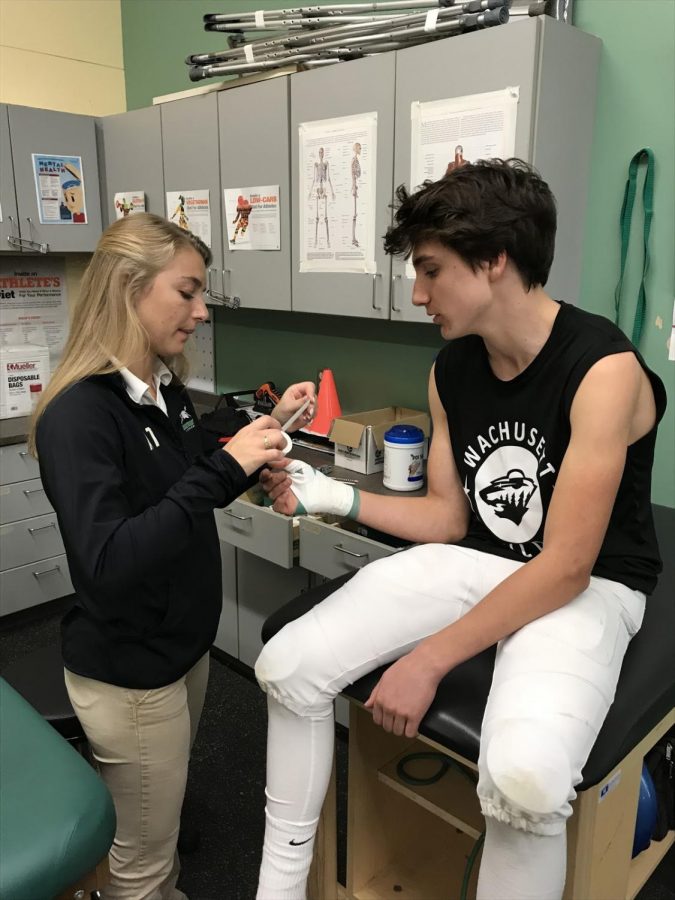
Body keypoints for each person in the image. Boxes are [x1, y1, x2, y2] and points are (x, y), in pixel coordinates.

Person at [254, 159, 666, 900]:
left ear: (494, 260)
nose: (417, 294)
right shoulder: (451, 370)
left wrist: (428, 660)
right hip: (485, 563)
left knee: (525, 782)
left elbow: (568, 565)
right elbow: (449, 519)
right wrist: (331, 497)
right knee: (287, 667)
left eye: (430, 270)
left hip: (593, 585)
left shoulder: (603, 367)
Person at [28, 212, 315, 900]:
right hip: (131, 673)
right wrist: (223, 473)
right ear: (129, 286)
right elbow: (108, 559)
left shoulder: (160, 389)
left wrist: (258, 449)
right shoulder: (81, 415)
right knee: (141, 865)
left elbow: (179, 484)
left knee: (153, 827)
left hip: (179, 648)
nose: (202, 310)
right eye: (186, 292)